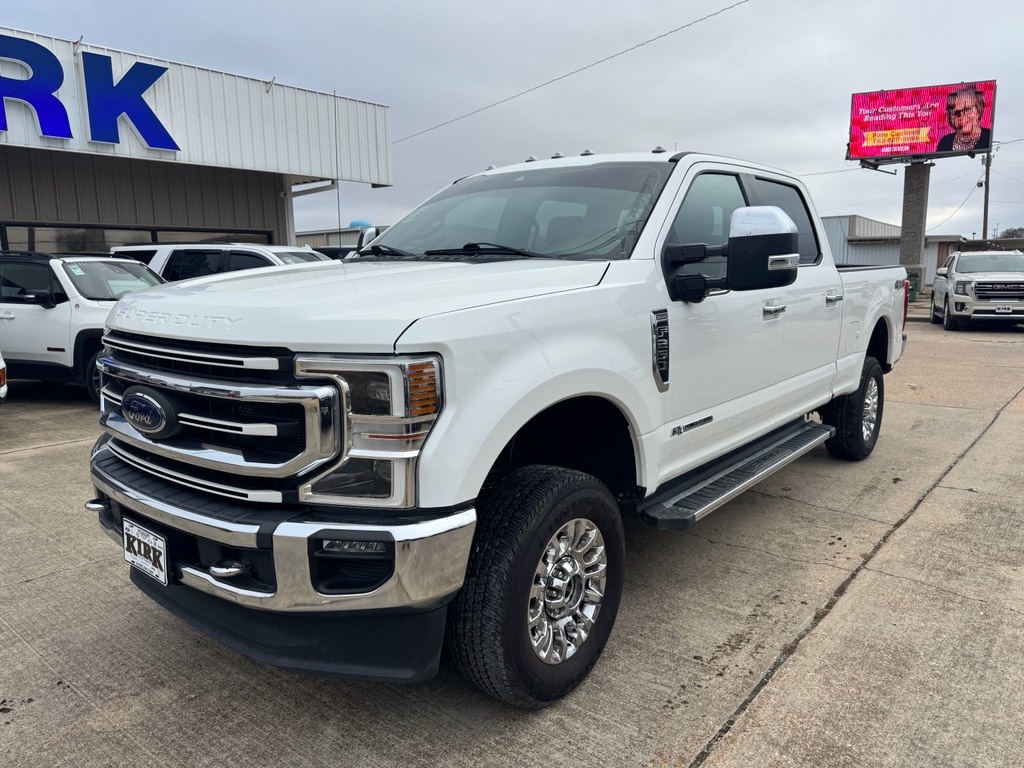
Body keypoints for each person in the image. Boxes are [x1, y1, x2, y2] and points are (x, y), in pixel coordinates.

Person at [936, 86, 991, 153]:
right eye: (956, 112)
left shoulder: (989, 137)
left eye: (967, 109)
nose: (962, 116)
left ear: (979, 110)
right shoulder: (945, 142)